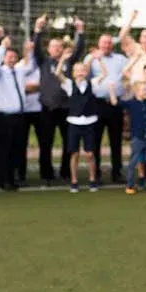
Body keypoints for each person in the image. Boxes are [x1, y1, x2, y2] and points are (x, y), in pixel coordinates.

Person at [33, 14, 85, 186]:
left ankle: (65, 172)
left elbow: (78, 49)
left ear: (63, 49)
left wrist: (80, 31)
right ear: (49, 49)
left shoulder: (69, 63)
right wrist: (38, 29)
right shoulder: (43, 62)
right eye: (53, 47)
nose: (56, 49)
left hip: (66, 109)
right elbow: (35, 49)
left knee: (67, 142)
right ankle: (47, 174)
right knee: (45, 143)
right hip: (47, 109)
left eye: (59, 47)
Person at [0, 36, 36, 191]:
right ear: (4, 58)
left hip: (19, 116)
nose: (11, 59)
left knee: (16, 148)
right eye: (9, 57)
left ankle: (12, 177)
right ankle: (4, 179)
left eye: (14, 57)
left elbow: (31, 65)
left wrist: (29, 51)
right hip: (5, 117)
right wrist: (3, 46)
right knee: (5, 149)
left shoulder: (19, 71)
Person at [56, 54, 107, 193]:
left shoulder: (92, 83)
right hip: (74, 122)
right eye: (77, 70)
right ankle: (74, 180)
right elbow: (58, 73)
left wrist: (99, 60)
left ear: (86, 72)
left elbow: (104, 74)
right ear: (73, 73)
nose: (80, 72)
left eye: (83, 69)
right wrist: (62, 60)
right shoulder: (69, 84)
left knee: (90, 154)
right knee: (74, 153)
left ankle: (92, 179)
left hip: (90, 122)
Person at [109, 80, 146, 194]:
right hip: (137, 138)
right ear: (136, 92)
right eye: (144, 89)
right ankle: (130, 185)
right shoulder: (131, 103)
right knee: (133, 162)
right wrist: (111, 89)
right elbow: (115, 102)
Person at [86, 33, 128, 184]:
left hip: (115, 104)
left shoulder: (121, 59)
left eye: (109, 43)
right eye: (104, 43)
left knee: (116, 141)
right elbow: (84, 76)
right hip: (96, 104)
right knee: (95, 140)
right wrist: (92, 58)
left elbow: (127, 76)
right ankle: (95, 173)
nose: (106, 45)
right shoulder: (90, 58)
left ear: (112, 45)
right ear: (99, 43)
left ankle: (116, 173)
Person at [16, 39, 42, 187]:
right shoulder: (19, 66)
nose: (30, 50)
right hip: (23, 110)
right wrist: (33, 87)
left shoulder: (39, 66)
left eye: (33, 48)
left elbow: (42, 84)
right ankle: (21, 174)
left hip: (38, 109)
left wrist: (31, 87)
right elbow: (20, 87)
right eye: (28, 48)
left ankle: (46, 174)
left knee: (44, 143)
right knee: (21, 144)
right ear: (24, 50)